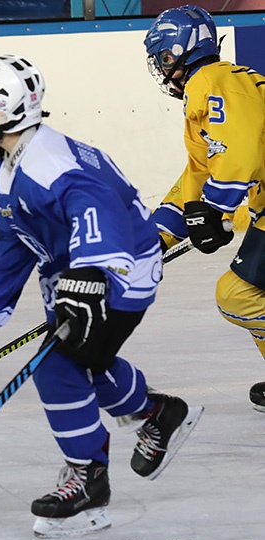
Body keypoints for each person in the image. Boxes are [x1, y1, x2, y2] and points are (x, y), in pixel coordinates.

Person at [0, 54, 203, 537]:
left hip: (120, 270)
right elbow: (12, 237)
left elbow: (97, 210)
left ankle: (88, 480)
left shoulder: (50, 164)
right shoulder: (7, 171)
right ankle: (159, 413)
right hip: (73, 276)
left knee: (58, 364)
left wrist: (92, 273)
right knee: (86, 362)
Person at [144, 5, 265, 412]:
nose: (162, 69)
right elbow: (198, 172)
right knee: (241, 294)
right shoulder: (211, 88)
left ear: (183, 50)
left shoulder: (212, 81)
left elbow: (240, 149)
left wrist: (216, 208)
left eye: (163, 58)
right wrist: (156, 235)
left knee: (237, 294)